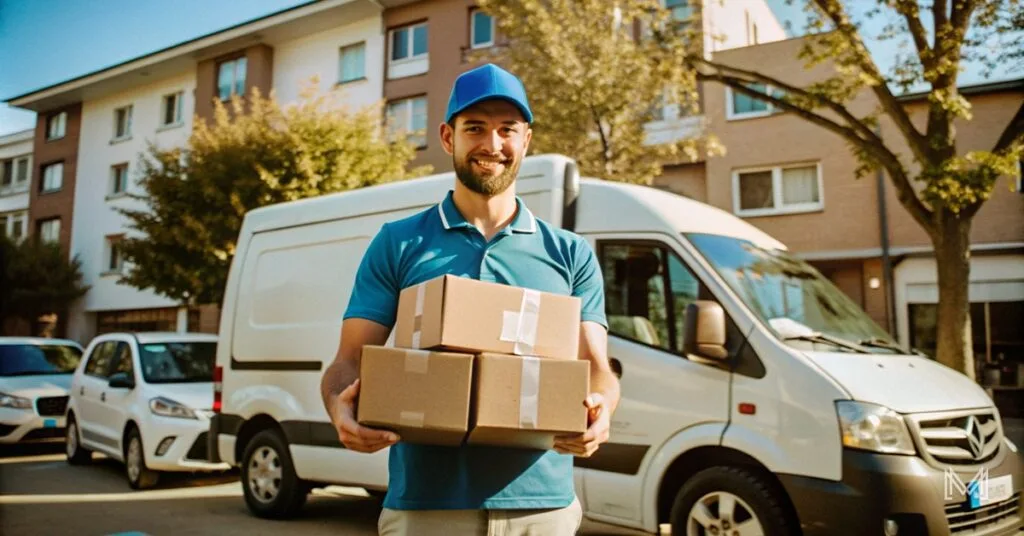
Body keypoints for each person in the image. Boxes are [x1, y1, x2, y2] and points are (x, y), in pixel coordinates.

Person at [320, 63, 621, 536]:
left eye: (507, 130)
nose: (492, 144)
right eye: (475, 128)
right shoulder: (399, 243)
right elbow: (348, 361)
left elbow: (597, 365)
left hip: (540, 505)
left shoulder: (568, 253)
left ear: (526, 140)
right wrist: (339, 407)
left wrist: (602, 409)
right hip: (426, 504)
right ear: (447, 136)